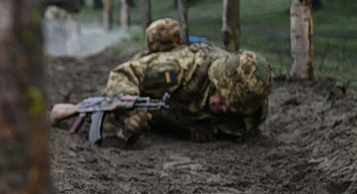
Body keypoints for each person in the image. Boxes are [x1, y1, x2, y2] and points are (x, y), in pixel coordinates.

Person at [98, 41, 273, 144]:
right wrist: (130, 110)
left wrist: (210, 129)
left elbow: (240, 129)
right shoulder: (184, 67)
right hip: (148, 92)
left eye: (233, 107)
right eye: (224, 99)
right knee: (108, 101)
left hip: (174, 115)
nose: (226, 109)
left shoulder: (252, 106)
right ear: (215, 82)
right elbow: (123, 74)